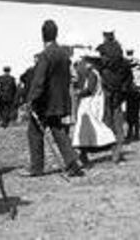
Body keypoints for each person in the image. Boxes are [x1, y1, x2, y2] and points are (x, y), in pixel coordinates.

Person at [27, 20, 84, 176]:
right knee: (58, 130)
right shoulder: (63, 54)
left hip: (45, 102)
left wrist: (32, 99)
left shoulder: (45, 55)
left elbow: (39, 80)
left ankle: (36, 168)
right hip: (60, 100)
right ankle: (73, 162)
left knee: (34, 132)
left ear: (42, 35)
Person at [71, 55, 116, 165]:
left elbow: (90, 90)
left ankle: (108, 144)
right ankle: (83, 152)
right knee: (87, 130)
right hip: (90, 104)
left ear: (90, 64)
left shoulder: (92, 74)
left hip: (89, 105)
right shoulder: (94, 74)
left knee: (92, 127)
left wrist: (78, 93)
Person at [95, 30, 131, 163]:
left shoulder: (101, 60)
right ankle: (116, 153)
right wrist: (123, 91)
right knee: (118, 124)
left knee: (106, 122)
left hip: (105, 92)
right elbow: (128, 79)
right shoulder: (123, 60)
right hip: (118, 94)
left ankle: (107, 148)